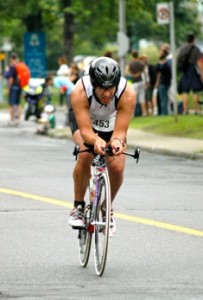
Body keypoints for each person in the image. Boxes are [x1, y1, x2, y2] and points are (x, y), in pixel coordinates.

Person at [68, 57, 136, 235]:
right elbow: (85, 131)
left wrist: (116, 142)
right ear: (93, 84)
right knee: (85, 154)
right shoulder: (80, 91)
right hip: (86, 121)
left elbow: (120, 132)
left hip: (111, 121)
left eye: (110, 88)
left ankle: (107, 209)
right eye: (102, 89)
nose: (107, 94)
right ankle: (78, 207)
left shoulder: (127, 93)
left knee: (118, 164)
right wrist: (96, 140)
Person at [177, 32, 203, 115]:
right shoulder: (196, 49)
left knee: (185, 91)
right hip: (193, 70)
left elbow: (179, 60)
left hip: (185, 71)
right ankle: (196, 110)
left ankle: (185, 110)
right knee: (196, 91)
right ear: (194, 39)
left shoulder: (182, 48)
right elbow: (199, 62)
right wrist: (202, 74)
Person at [127, 50, 147, 116]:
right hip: (141, 81)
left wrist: (133, 75)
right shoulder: (141, 63)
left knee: (133, 98)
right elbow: (145, 73)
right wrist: (146, 81)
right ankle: (144, 113)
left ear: (132, 55)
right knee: (142, 98)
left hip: (134, 82)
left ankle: (132, 114)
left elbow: (126, 72)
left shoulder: (130, 63)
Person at [154, 48, 171, 115]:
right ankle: (166, 112)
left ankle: (164, 113)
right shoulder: (167, 64)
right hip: (167, 83)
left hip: (162, 83)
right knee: (165, 98)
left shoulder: (161, 66)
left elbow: (159, 75)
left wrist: (156, 83)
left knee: (162, 98)